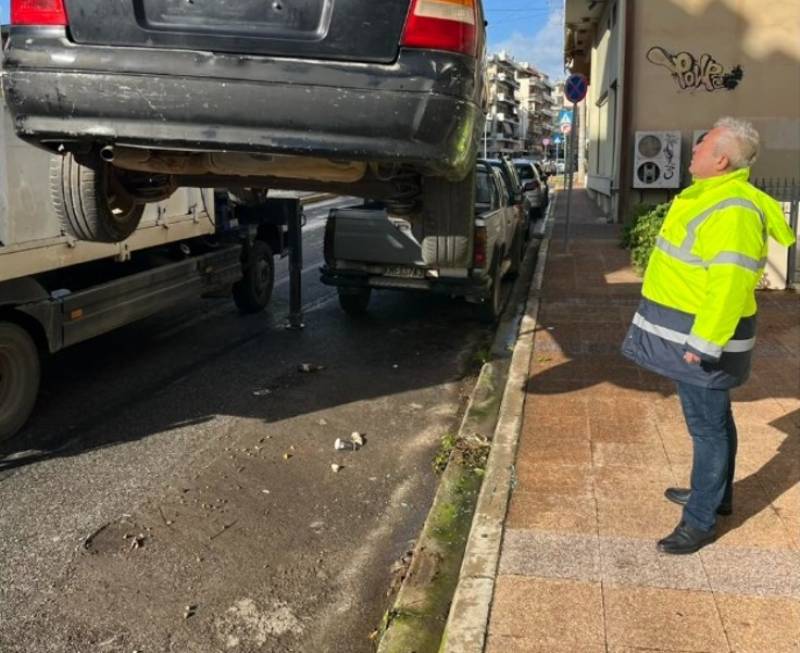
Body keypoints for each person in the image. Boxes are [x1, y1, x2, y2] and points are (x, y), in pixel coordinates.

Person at [622, 116, 796, 554]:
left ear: (720, 161)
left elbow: (730, 283)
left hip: (703, 336)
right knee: (714, 420)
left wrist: (703, 343)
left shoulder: (732, 210)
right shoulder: (715, 196)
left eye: (702, 145)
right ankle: (715, 495)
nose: (694, 150)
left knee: (707, 428)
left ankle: (700, 520)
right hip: (693, 329)